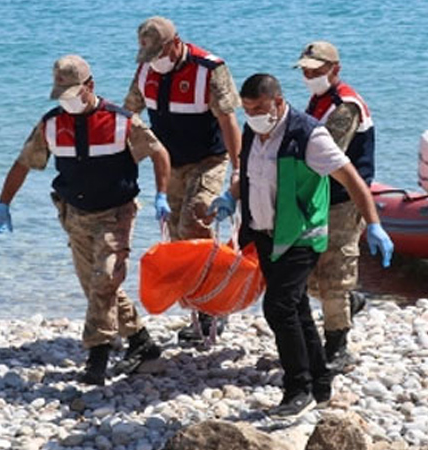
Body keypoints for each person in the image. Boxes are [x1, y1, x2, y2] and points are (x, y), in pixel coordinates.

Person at [209, 73, 394, 418]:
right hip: (264, 235)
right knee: (296, 309)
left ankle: (298, 388)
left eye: (259, 108)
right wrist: (228, 198)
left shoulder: (308, 134)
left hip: (301, 236)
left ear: (278, 103)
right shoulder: (252, 130)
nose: (252, 115)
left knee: (278, 308)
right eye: (247, 109)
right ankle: (321, 384)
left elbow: (352, 178)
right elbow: (247, 175)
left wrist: (375, 225)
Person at [0, 55, 171, 385]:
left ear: (90, 87)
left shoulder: (123, 121)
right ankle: (142, 343)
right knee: (98, 286)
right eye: (61, 94)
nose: (67, 101)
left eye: (73, 93)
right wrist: (4, 203)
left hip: (116, 214)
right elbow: (23, 163)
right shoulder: (51, 124)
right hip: (74, 214)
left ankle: (97, 358)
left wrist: (162, 194)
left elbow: (159, 152)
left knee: (104, 279)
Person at [124, 16, 243, 343]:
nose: (155, 62)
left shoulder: (209, 69)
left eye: (160, 54)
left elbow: (228, 120)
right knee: (177, 237)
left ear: (176, 44)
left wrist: (238, 169)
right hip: (169, 162)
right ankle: (197, 307)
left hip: (209, 159)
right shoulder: (146, 69)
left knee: (195, 221)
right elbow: (129, 116)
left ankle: (214, 308)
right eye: (148, 56)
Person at [295, 41, 374, 373]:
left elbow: (325, 156)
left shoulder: (345, 107)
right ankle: (348, 304)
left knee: (335, 273)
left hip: (343, 199)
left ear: (335, 69)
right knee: (312, 277)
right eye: (306, 71)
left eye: (317, 70)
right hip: (319, 196)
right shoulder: (320, 101)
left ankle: (339, 345)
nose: (310, 75)